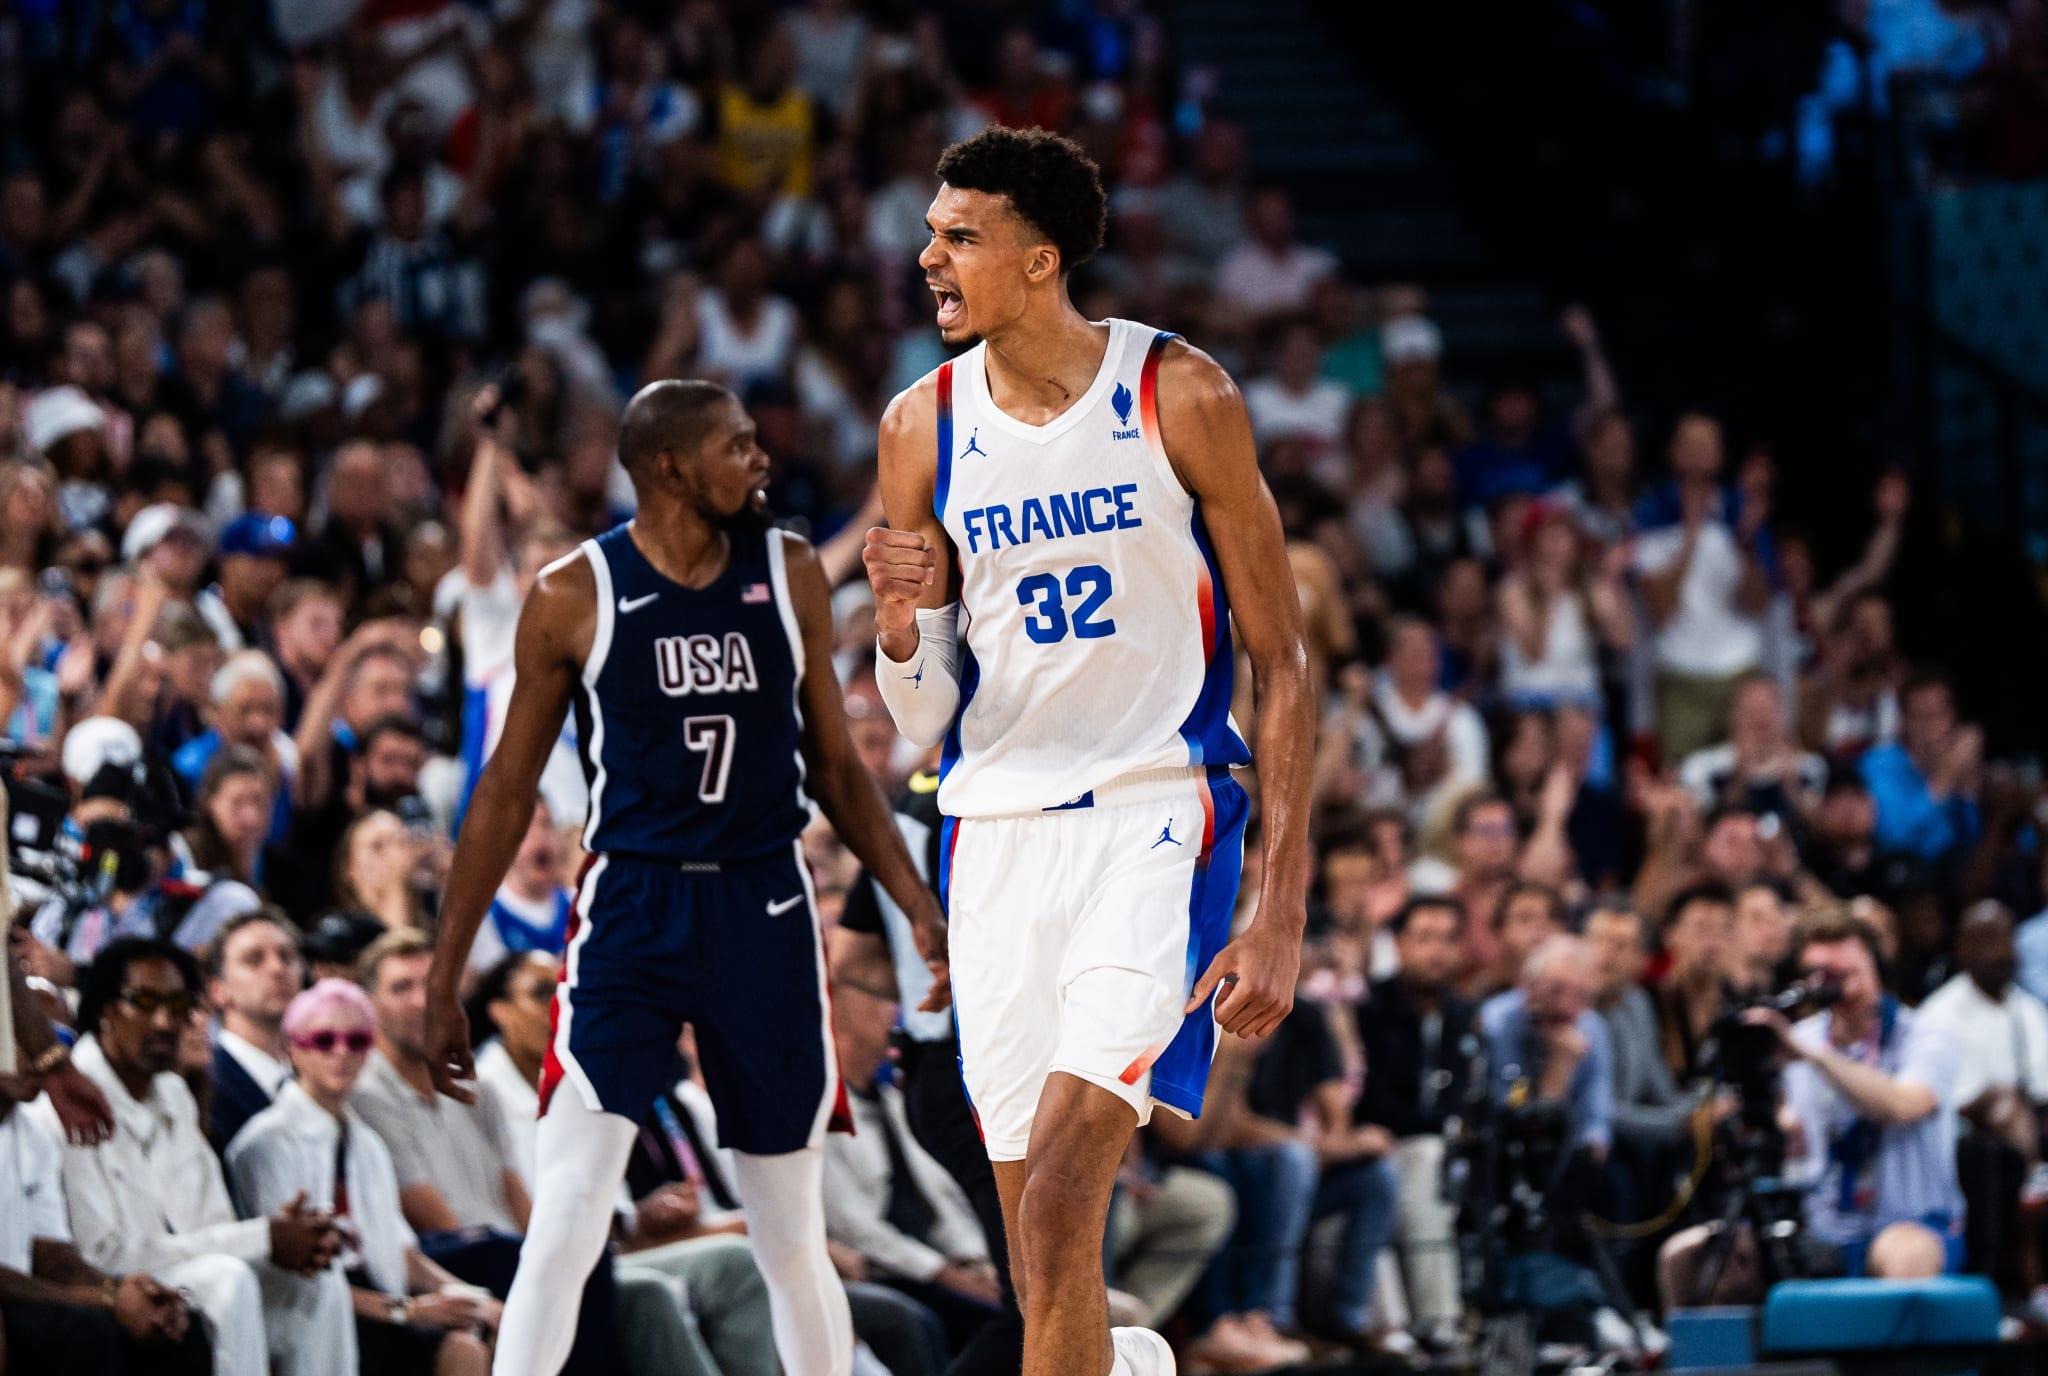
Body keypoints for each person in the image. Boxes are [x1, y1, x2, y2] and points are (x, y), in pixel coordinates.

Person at [864, 125, 1313, 1376]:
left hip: (1153, 814)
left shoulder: (1180, 392)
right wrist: (903, 630)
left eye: (959, 237)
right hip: (991, 828)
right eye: (929, 233)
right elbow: (919, 712)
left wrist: (1278, 905)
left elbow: (1281, 660)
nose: (927, 259)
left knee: (1064, 1197)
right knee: (1036, 1252)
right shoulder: (919, 424)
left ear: (1039, 257)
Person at [420, 378, 948, 1376]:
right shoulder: (575, 590)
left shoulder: (786, 571)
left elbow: (835, 765)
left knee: (787, 1224)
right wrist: (448, 967)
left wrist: (912, 903)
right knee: (570, 1207)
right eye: (737, 446)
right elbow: (500, 793)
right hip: (633, 897)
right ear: (669, 465)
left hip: (764, 899)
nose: (760, 460)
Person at [28, 938, 351, 1376]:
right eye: (144, 1002)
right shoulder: (67, 1107)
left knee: (317, 1287)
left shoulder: (174, 1093)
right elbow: (102, 1255)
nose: (165, 1021)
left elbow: (212, 1228)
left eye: (179, 1005)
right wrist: (265, 1238)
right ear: (105, 1011)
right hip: (118, 1291)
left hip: (190, 1275)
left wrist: (287, 1238)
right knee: (227, 1280)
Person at [1660, 909, 1965, 1303]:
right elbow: (1778, 1127)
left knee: (1901, 1256)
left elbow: (1905, 1105)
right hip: (1817, 1229)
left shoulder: (1924, 1033)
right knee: (1685, 1257)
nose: (1839, 990)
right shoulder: (1797, 1040)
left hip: (1912, 1224)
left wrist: (1814, 1057)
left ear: (1877, 967)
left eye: (1848, 975)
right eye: (1822, 977)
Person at [226, 979, 497, 1376]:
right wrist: (407, 1310)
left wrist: (474, 1299)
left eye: (356, 1041)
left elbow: (401, 1251)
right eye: (323, 1040)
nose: (341, 1053)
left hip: (379, 1304)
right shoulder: (265, 1143)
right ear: (293, 1049)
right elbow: (292, 1276)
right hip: (309, 1312)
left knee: (468, 1343)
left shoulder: (367, 1143)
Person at [0, 1056, 212, 1375]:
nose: (35, 1060)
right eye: (14, 1040)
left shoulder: (31, 1134)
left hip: (29, 1298)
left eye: (38, 1045)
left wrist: (123, 1290)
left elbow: (53, 1255)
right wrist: (104, 1300)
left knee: (175, 1326)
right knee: (83, 1330)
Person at [825, 982, 1002, 1352]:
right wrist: (945, 1273)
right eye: (875, 998)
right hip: (886, 1269)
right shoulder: (820, 1115)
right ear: (835, 1013)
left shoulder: (896, 1103)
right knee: (1002, 1326)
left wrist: (977, 1262)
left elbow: (941, 1199)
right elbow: (857, 1229)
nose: (892, 1011)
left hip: (943, 1261)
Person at [1355, 896, 1472, 1346]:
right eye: (1424, 938)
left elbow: (1467, 1097)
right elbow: (1374, 1101)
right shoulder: (1371, 1009)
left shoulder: (1463, 1014)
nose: (1436, 951)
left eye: (1447, 939)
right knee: (1423, 1160)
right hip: (1389, 1144)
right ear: (1399, 944)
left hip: (1448, 1149)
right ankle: (1438, 1318)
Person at [1917, 901, 2048, 1293]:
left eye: (2007, 939)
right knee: (2001, 1112)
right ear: (1962, 947)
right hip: (1958, 1143)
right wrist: (1996, 1101)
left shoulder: (2027, 1009)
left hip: (2024, 1134)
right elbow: (1936, 1101)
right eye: (1988, 940)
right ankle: (2017, 1283)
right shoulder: (1938, 1014)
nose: (2002, 951)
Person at [204, 909, 307, 1151]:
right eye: (254, 959)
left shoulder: (318, 1075)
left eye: (287, 956)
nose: (277, 969)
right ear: (218, 990)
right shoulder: (208, 1087)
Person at [1653, 882, 1739, 1084]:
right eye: (1702, 929)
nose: (1712, 943)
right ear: (1669, 934)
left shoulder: (1738, 1005)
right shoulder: (1650, 1004)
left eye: (1722, 931)